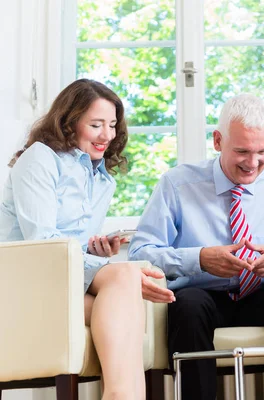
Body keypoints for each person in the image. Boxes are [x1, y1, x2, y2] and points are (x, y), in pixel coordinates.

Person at [129, 93, 264, 400]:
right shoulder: (177, 184)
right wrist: (200, 259)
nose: (253, 163)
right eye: (243, 151)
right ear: (218, 141)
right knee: (190, 305)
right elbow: (140, 253)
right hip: (200, 297)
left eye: (262, 152)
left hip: (259, 297)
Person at [0, 79, 175, 399]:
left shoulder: (101, 179)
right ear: (68, 122)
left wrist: (98, 252)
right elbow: (44, 244)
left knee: (124, 295)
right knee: (126, 280)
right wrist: (109, 268)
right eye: (96, 124)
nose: (107, 135)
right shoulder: (40, 158)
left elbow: (73, 250)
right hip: (22, 283)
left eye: (112, 125)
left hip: (64, 282)